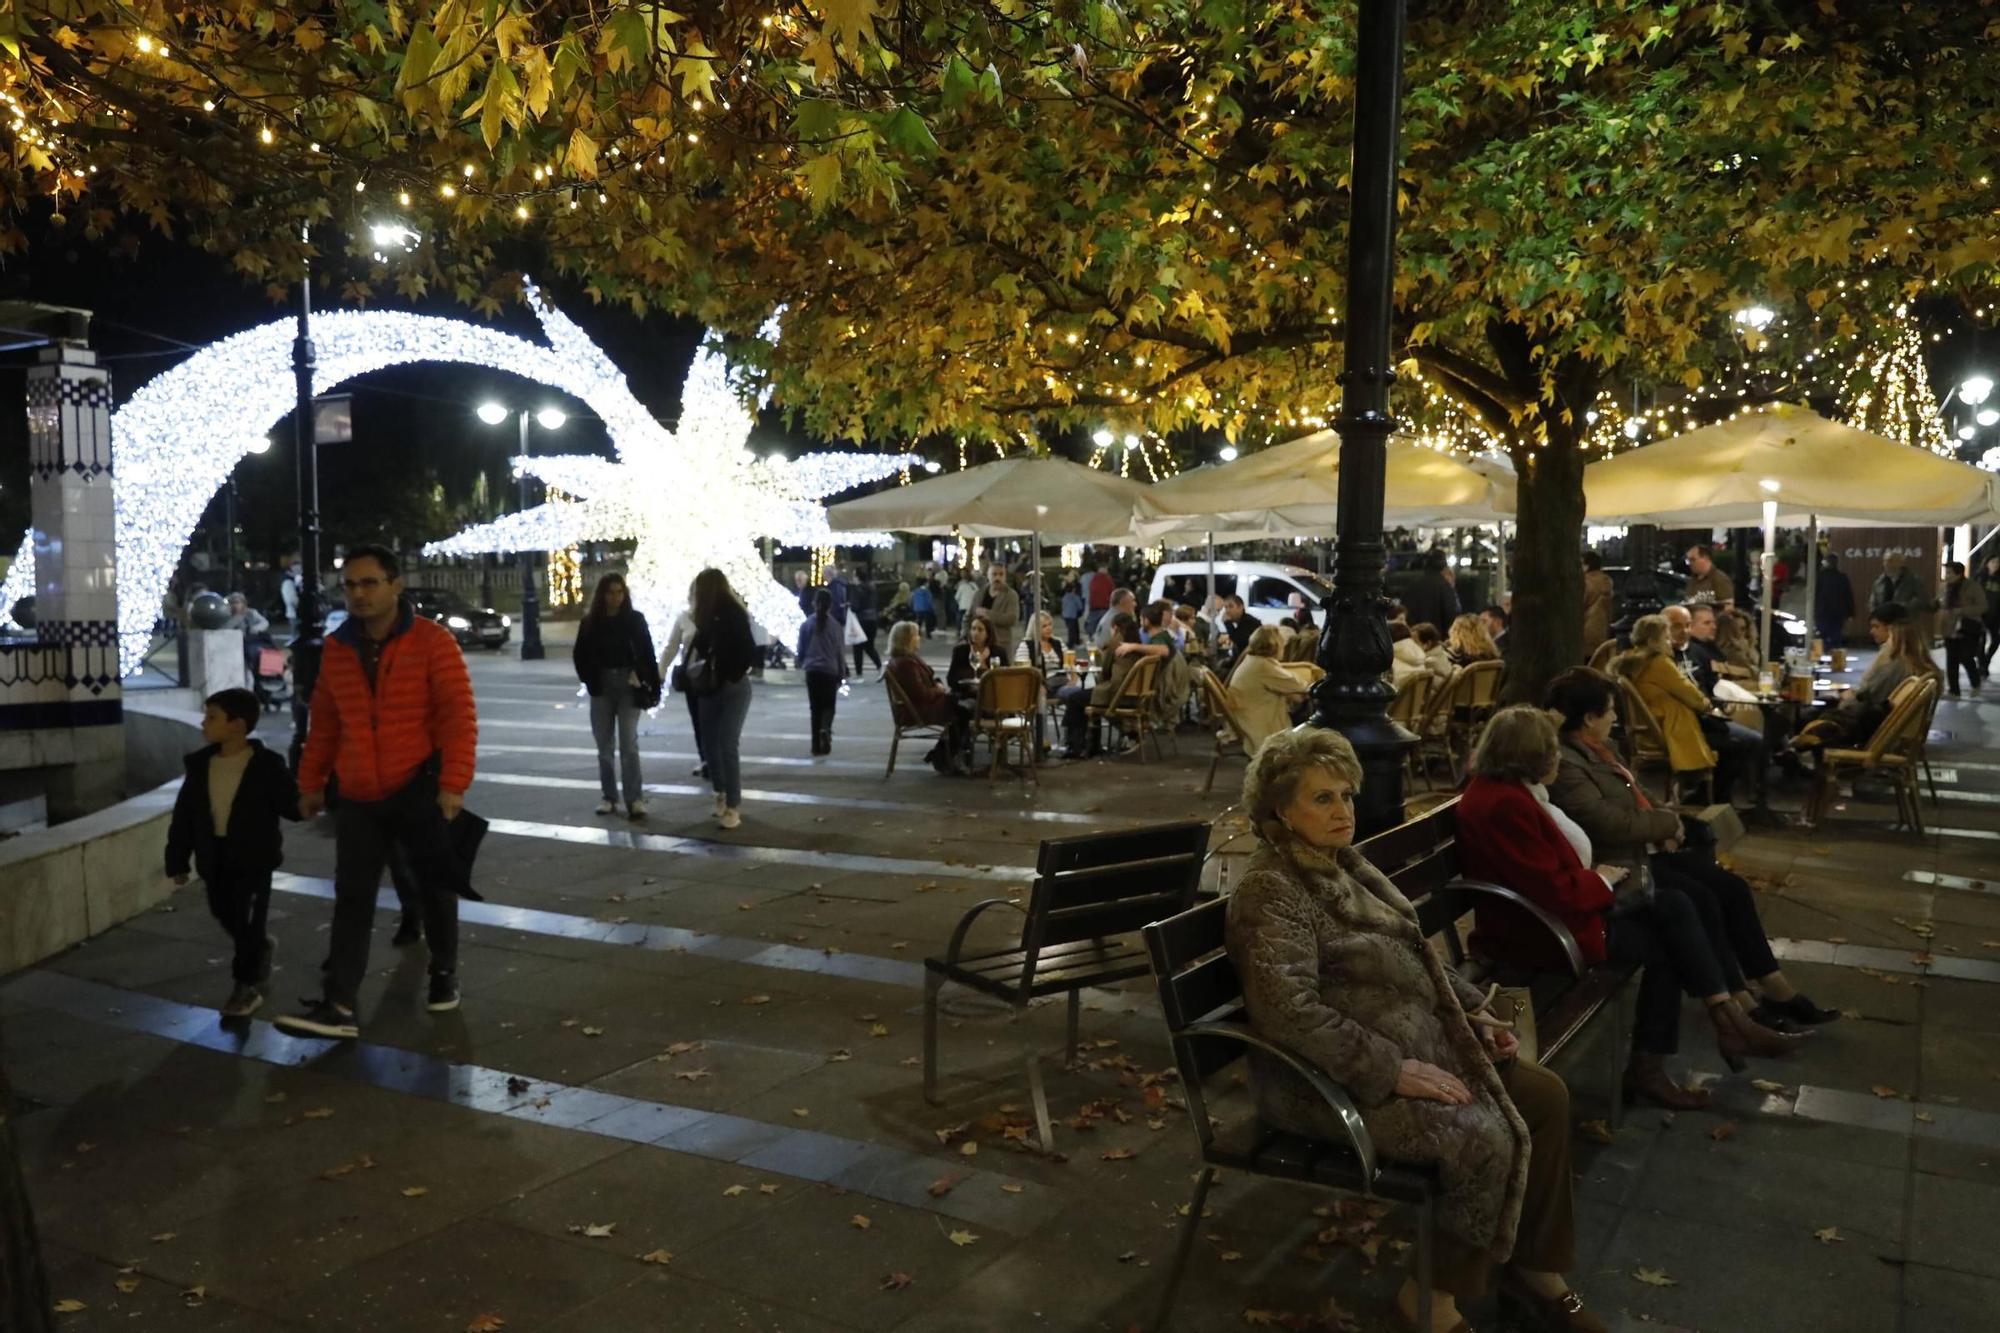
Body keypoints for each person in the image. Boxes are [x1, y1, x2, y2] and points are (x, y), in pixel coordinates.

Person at [1227, 727, 1608, 1333]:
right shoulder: (1271, 889)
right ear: (1279, 809)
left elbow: (1414, 956)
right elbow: (1286, 1011)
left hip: (1417, 1046)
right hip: (1326, 1083)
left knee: (1545, 1097)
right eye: (1321, 799)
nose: (1343, 811)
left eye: (1346, 796)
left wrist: (1472, 1011)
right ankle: (1431, 1301)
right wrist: (1391, 1069)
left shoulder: (1344, 863)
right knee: (1480, 1135)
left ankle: (1537, 1265)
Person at [1456, 706, 1802, 1115]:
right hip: (1539, 933)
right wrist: (1600, 879)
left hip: (1548, 917)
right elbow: (1553, 890)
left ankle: (1717, 1025)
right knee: (1670, 930)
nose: (1557, 760)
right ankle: (1700, 1037)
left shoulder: (1510, 793)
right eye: (1551, 752)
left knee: (1675, 907)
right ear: (1528, 756)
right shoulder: (1505, 804)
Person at [1542, 673, 1837, 1034]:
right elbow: (1606, 823)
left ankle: (1773, 986)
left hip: (1640, 852)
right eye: (1610, 712)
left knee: (1730, 887)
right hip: (1619, 863)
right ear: (1589, 717)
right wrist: (1666, 825)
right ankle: (1739, 1003)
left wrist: (1670, 818)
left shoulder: (1601, 750)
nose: (1615, 719)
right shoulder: (1569, 765)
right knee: (1698, 898)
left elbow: (1638, 796)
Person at [276, 544, 477, 1039]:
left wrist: (453, 784)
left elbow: (458, 717)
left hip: (418, 788)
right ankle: (339, 1002)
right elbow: (324, 722)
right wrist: (310, 782)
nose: (359, 594)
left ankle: (444, 971)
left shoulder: (433, 642)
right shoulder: (339, 648)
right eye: (350, 585)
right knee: (352, 897)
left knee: (435, 886)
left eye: (369, 583)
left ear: (395, 585)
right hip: (361, 795)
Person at [165, 688, 299, 1018]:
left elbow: (290, 804)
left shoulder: (266, 765)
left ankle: (246, 985)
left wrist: (311, 799)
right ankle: (260, 948)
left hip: (254, 858)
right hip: (215, 857)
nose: (203, 724)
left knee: (249, 923)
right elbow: (185, 816)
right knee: (225, 913)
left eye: (212, 717)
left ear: (237, 725)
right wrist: (177, 859)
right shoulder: (201, 767)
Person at [1614, 614, 1760, 805]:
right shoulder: (1659, 663)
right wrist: (1710, 707)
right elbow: (1689, 693)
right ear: (1654, 640)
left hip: (1654, 728)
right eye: (1666, 637)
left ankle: (1710, 796)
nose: (1671, 641)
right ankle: (1719, 799)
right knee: (1743, 742)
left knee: (1733, 739)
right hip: (1672, 730)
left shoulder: (1632, 660)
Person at [572, 572, 661, 819]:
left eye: (620, 592)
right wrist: (590, 681)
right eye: (611, 592)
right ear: (602, 595)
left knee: (628, 744)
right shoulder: (591, 622)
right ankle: (609, 796)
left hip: (628, 684)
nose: (615, 597)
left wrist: (653, 686)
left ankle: (635, 799)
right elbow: (580, 655)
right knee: (604, 745)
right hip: (602, 684)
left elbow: (647, 653)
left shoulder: (634, 620)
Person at [1792, 604, 1937, 750]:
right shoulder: (1913, 663)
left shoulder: (1896, 663)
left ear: (1892, 630)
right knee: (1822, 708)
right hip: (1887, 728)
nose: (1871, 632)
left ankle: (1792, 753)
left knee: (1813, 713)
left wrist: (1847, 697)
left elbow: (1868, 694)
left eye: (1876, 626)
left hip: (1875, 731)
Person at [688, 567, 758, 829]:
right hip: (710, 686)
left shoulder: (734, 615)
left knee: (727, 743)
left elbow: (748, 651)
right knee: (710, 744)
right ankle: (720, 793)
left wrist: (732, 673)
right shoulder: (703, 618)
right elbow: (700, 648)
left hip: (732, 686)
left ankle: (733, 805)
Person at [1058, 612, 1167, 757]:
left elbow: (1105, 672)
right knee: (1085, 695)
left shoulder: (1116, 643)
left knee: (1075, 698)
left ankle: (1075, 746)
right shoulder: (1138, 642)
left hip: (1117, 694)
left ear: (1115, 627)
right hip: (1136, 696)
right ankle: (1089, 745)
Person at [886, 620, 970, 774]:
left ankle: (943, 755)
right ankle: (945, 757)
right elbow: (922, 694)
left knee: (961, 706)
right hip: (918, 710)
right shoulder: (906, 664)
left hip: (920, 706)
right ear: (907, 640)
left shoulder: (905, 660)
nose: (919, 638)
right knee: (963, 710)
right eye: (916, 635)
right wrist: (938, 689)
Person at [1225, 626, 1310, 754]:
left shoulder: (1253, 660)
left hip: (1247, 719)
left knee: (1299, 702)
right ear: (1274, 645)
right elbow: (1301, 685)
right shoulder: (1264, 666)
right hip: (1260, 728)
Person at [657, 585, 709, 780]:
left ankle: (714, 759)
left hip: (714, 676)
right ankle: (705, 758)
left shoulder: (716, 616)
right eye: (694, 594)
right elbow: (671, 647)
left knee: (713, 721)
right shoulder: (683, 618)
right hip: (693, 677)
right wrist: (661, 673)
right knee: (698, 720)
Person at [797, 589, 849, 756]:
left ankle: (815, 746)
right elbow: (840, 653)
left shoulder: (807, 624)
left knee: (815, 709)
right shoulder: (836, 627)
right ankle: (825, 728)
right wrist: (842, 673)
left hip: (812, 671)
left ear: (814, 603)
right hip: (829, 671)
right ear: (830, 606)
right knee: (829, 706)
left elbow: (801, 648)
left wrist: (802, 661)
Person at [1940, 560, 1988, 696]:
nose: (1946, 575)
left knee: (1965, 657)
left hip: (1968, 627)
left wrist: (1962, 610)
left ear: (1959, 573)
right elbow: (1940, 603)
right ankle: (1954, 690)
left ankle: (1975, 682)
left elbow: (1983, 606)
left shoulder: (1972, 586)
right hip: (1949, 628)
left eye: (1949, 572)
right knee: (1951, 660)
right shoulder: (1945, 587)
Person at [1402, 548, 1460, 636]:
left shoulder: (1414, 584)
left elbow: (1405, 609)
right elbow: (1450, 613)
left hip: (1416, 634)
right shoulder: (1444, 585)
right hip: (1437, 635)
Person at [972, 564, 1021, 657]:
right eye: (994, 574)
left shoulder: (1011, 595)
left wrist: (988, 614)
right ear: (988, 575)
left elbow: (1012, 618)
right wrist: (964, 637)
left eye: (1001, 574)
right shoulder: (979, 593)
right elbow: (969, 615)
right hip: (979, 644)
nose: (997, 577)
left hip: (1000, 643)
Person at [1815, 552, 1856, 650]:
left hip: (1823, 610)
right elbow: (1848, 595)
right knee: (1836, 634)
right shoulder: (1842, 577)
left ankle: (1824, 651)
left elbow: (1815, 594)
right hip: (1838, 611)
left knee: (1822, 633)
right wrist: (1850, 613)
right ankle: (1835, 653)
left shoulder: (1820, 577)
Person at [950, 612, 1000, 693]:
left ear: (987, 633)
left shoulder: (998, 652)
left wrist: (983, 663)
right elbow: (951, 679)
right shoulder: (960, 650)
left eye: (980, 630)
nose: (975, 633)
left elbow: (1004, 677)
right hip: (966, 694)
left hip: (992, 693)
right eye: (973, 629)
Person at [1580, 552, 1613, 659]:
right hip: (1602, 628)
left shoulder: (1585, 582)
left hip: (1586, 628)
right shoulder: (1606, 581)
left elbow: (1582, 603)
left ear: (1587, 565)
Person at [1980, 554, 2000, 679]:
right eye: (1993, 562)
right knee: (1980, 642)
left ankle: (1986, 661)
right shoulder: (1980, 578)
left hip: (1996, 615)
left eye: (1998, 562)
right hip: (1981, 615)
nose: (1996, 564)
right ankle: (1982, 665)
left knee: (1996, 640)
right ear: (1987, 563)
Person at [1083, 564, 1114, 636]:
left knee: (1093, 628)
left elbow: (1090, 592)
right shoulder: (1108, 579)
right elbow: (1112, 593)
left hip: (1094, 607)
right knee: (1105, 628)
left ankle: (1093, 642)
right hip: (1105, 607)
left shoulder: (1093, 579)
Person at [1059, 578, 1085, 648]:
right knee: (1073, 629)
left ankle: (1075, 640)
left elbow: (1063, 605)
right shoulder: (1075, 597)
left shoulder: (1064, 597)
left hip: (1066, 615)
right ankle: (1072, 642)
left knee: (1071, 628)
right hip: (1073, 615)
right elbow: (1080, 606)